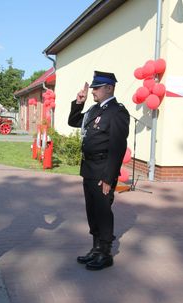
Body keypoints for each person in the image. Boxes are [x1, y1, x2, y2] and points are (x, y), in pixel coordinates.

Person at [68, 71, 130, 270]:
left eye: (97, 87)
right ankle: (95, 249)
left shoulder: (117, 112)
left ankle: (105, 253)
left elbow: (117, 147)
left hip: (103, 170)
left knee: (103, 211)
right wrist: (79, 102)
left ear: (109, 88)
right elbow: (74, 121)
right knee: (92, 211)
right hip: (88, 168)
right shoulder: (94, 110)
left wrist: (109, 177)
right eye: (93, 87)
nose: (93, 91)